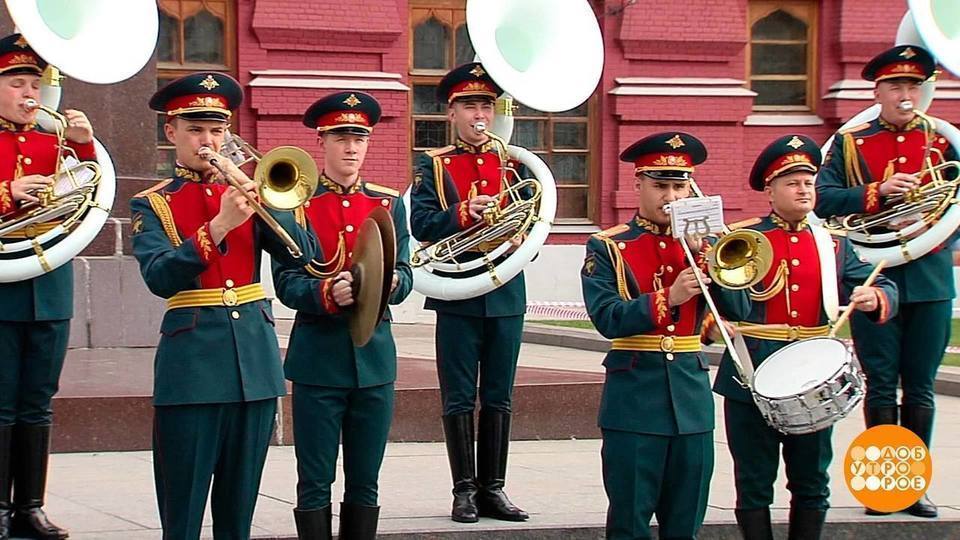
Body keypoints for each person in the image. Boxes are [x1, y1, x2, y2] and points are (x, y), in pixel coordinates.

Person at [129, 72, 315, 539]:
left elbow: (304, 254)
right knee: (184, 512)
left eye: (216, 130)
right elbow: (160, 276)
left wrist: (274, 205)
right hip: (191, 368)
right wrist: (218, 226)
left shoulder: (251, 191)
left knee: (238, 515)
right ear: (171, 133)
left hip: (252, 363)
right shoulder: (153, 204)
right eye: (195, 130)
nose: (207, 141)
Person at [712, 134, 898, 539]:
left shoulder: (831, 244)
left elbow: (880, 283)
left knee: (812, 482)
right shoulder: (741, 239)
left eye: (809, 182)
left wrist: (875, 295)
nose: (803, 190)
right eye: (792, 183)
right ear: (770, 190)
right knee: (755, 483)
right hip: (753, 373)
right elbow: (722, 305)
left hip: (813, 380)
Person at [580, 132, 749, 540]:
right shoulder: (609, 246)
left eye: (679, 186)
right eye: (660, 186)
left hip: (690, 401)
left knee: (686, 522)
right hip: (635, 399)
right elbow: (608, 318)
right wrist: (667, 298)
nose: (671, 197)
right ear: (638, 184)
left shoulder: (709, 245)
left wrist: (714, 263)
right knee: (630, 521)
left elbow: (740, 311)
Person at [815, 44, 957, 517]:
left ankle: (913, 487)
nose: (905, 94)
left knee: (919, 386)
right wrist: (876, 194)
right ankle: (883, 488)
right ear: (877, 90)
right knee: (880, 384)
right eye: (896, 85)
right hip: (873, 275)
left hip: (932, 276)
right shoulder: (852, 142)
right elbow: (823, 198)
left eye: (913, 86)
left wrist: (932, 225)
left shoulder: (942, 141)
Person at [272, 91, 413, 540]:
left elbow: (408, 272)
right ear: (322, 141)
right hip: (319, 360)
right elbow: (287, 283)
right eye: (341, 137)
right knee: (314, 481)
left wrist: (394, 283)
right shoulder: (296, 203)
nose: (351, 147)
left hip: (374, 359)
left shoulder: (388, 203)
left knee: (365, 481)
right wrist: (326, 292)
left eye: (359, 137)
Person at [409, 61, 530, 523]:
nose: (479, 113)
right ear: (452, 112)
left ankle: (493, 488)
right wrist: (462, 213)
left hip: (506, 293)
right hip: (459, 292)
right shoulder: (434, 164)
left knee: (499, 395)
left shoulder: (514, 162)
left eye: (485, 104)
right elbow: (421, 225)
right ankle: (463, 490)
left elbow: (535, 221)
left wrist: (520, 239)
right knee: (459, 395)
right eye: (469, 105)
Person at [0, 33, 97, 540]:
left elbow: (89, 192)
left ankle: (29, 508)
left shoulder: (54, 140)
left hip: (49, 285)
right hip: (2, 288)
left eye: (34, 82)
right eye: (17, 82)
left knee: (38, 399)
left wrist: (82, 144)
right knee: (0, 401)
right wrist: (7, 192)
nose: (29, 92)